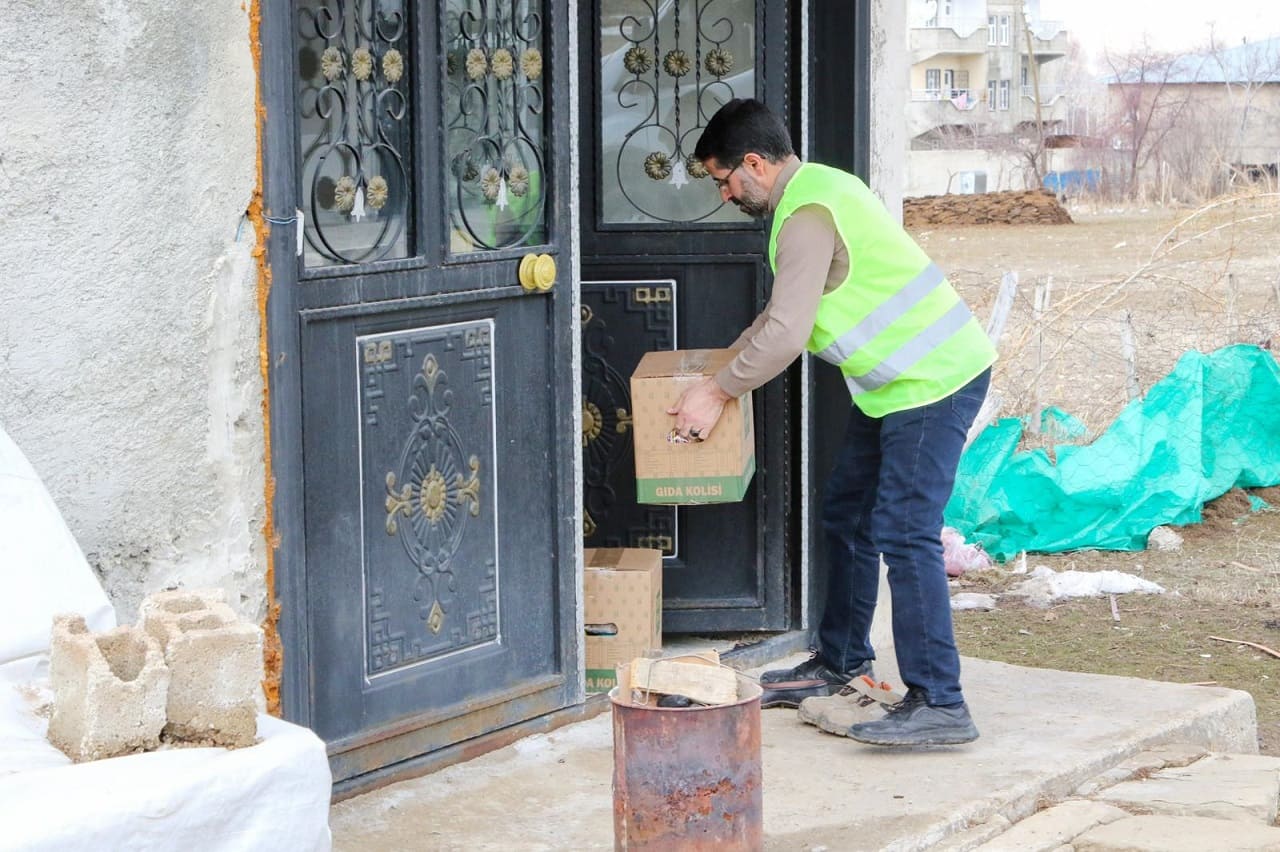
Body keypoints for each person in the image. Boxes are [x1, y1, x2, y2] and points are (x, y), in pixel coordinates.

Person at [668, 98, 996, 746]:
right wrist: (716, 376)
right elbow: (775, 320)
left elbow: (787, 334)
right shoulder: (816, 192)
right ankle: (840, 661)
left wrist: (718, 393)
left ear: (754, 164)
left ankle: (941, 702)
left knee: (904, 531)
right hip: (896, 391)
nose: (724, 193)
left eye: (724, 179)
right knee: (848, 513)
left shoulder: (807, 213)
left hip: (934, 382)